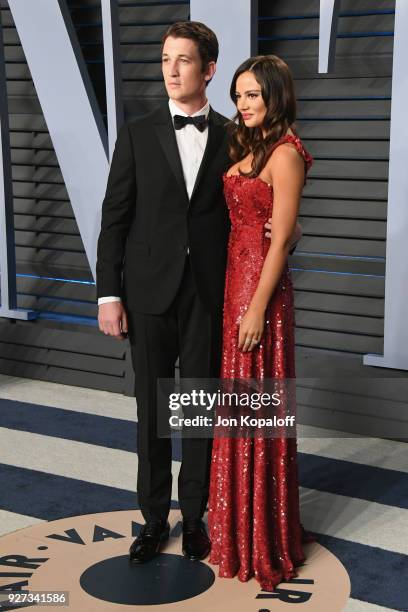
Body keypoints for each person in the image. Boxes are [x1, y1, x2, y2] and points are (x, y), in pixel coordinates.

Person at [96, 21, 301, 566]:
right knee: (150, 412)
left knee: (197, 410)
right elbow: (114, 219)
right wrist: (107, 294)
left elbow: (265, 195)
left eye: (183, 60)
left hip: (212, 294)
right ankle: (153, 519)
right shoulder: (138, 133)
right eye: (166, 58)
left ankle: (195, 519)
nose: (171, 69)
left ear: (208, 69)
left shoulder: (239, 133)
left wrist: (285, 233)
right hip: (146, 292)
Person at [207, 55, 314, 591]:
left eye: (253, 95)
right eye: (239, 95)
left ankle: (261, 538)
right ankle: (236, 529)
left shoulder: (286, 154)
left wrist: (255, 308)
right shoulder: (248, 145)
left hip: (261, 296)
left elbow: (281, 241)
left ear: (276, 95)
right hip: (234, 282)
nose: (244, 105)